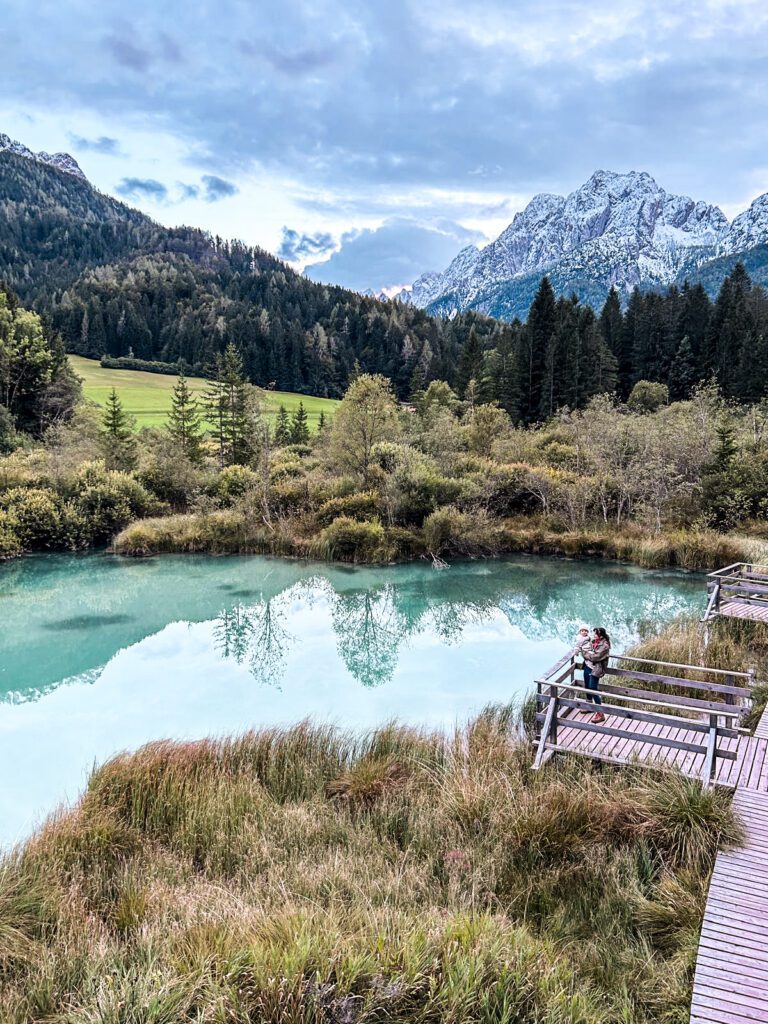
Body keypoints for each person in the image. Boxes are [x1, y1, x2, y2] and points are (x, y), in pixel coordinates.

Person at [584, 627, 611, 724]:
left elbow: (596, 657)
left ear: (601, 636)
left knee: (593, 688)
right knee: (587, 686)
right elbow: (584, 647)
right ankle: (589, 706)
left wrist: (586, 654)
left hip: (596, 669)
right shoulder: (593, 641)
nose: (594, 635)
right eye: (594, 633)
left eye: (596, 634)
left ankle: (600, 713)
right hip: (588, 665)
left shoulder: (605, 645)